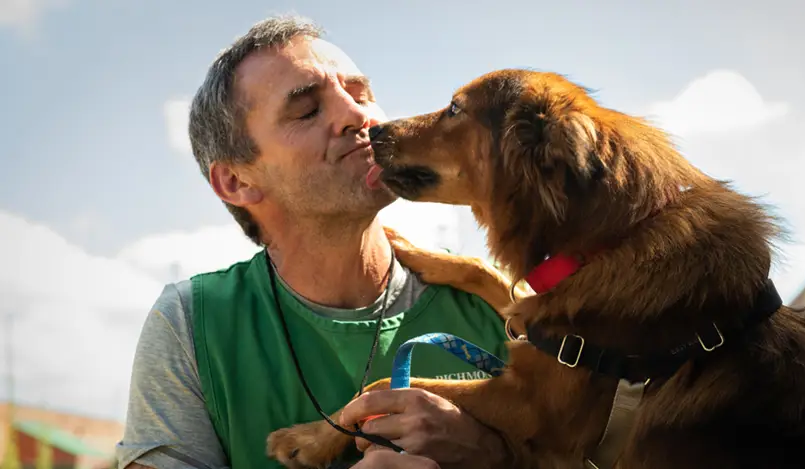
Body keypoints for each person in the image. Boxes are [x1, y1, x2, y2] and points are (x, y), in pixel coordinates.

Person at [114, 14, 513, 469]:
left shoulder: (493, 300)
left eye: (361, 94)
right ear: (236, 180)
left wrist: (491, 453)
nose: (357, 116)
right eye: (307, 110)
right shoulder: (191, 324)